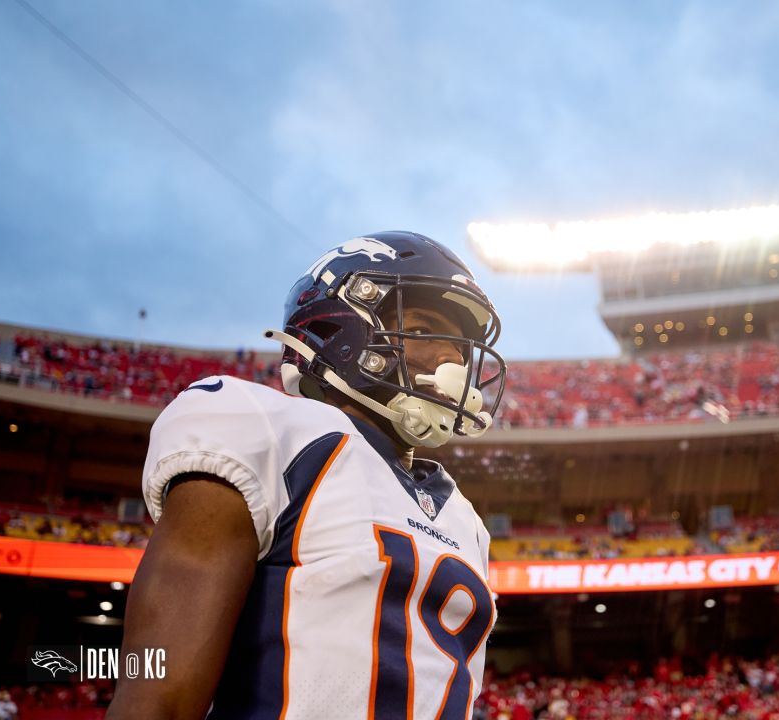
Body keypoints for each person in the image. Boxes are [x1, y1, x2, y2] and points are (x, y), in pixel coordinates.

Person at [106, 231, 508, 720]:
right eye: (425, 331)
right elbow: (156, 692)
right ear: (342, 330)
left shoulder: (465, 520)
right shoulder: (272, 431)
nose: (454, 362)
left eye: (461, 351)